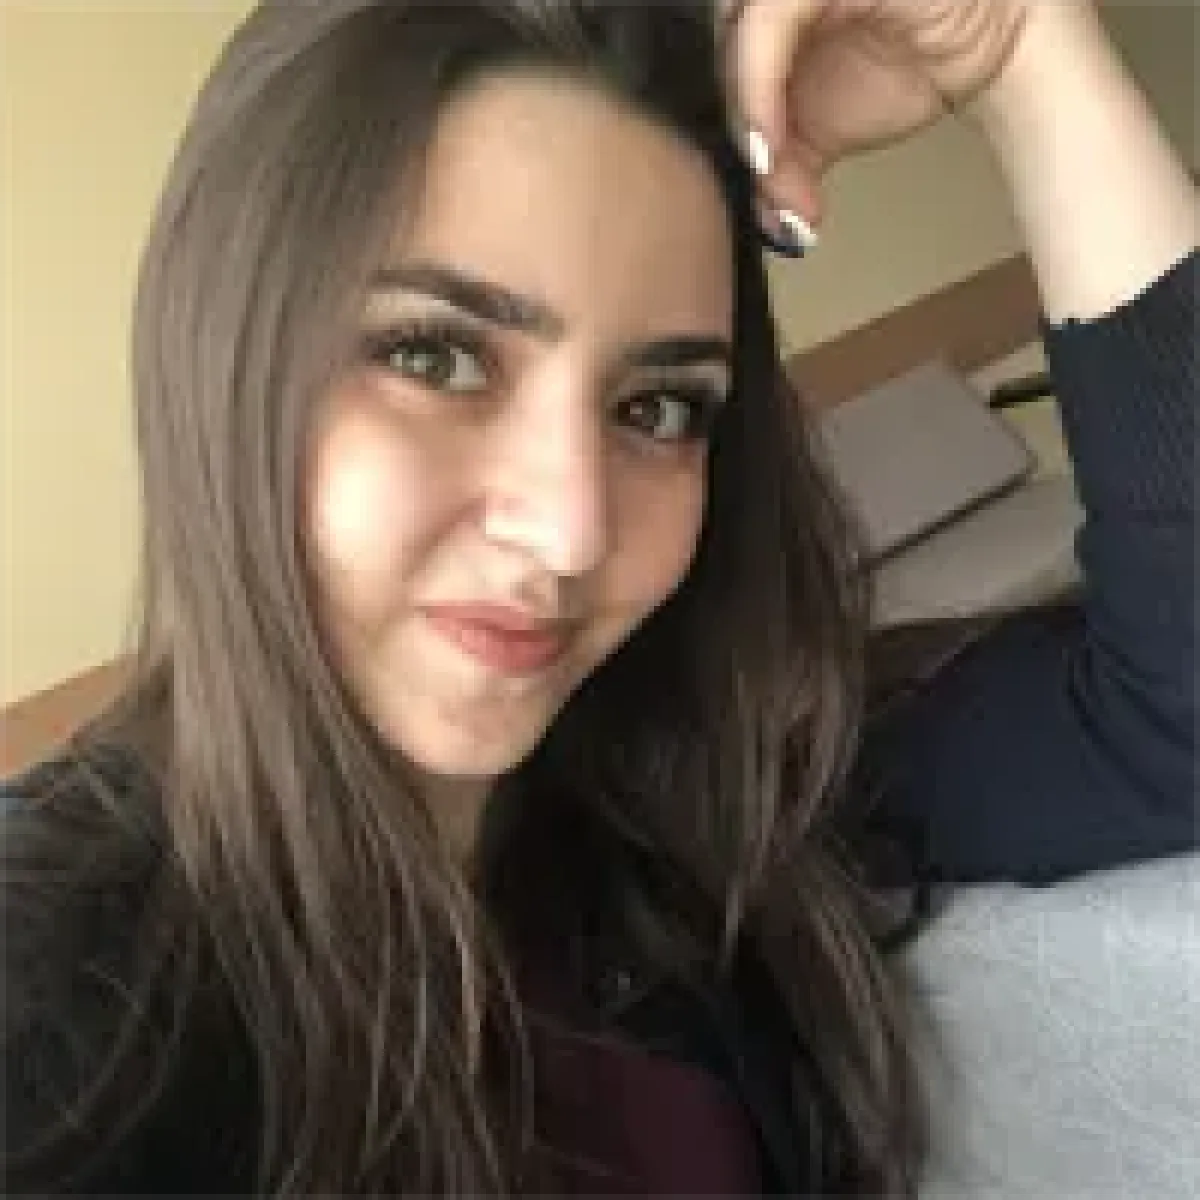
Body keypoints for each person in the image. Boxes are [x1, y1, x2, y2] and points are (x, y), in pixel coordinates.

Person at [0, 0, 1195, 1196]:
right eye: (435, 356)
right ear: (224, 351)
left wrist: (1025, 50)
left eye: (656, 409)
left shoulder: (700, 771)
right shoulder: (68, 992)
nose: (572, 532)